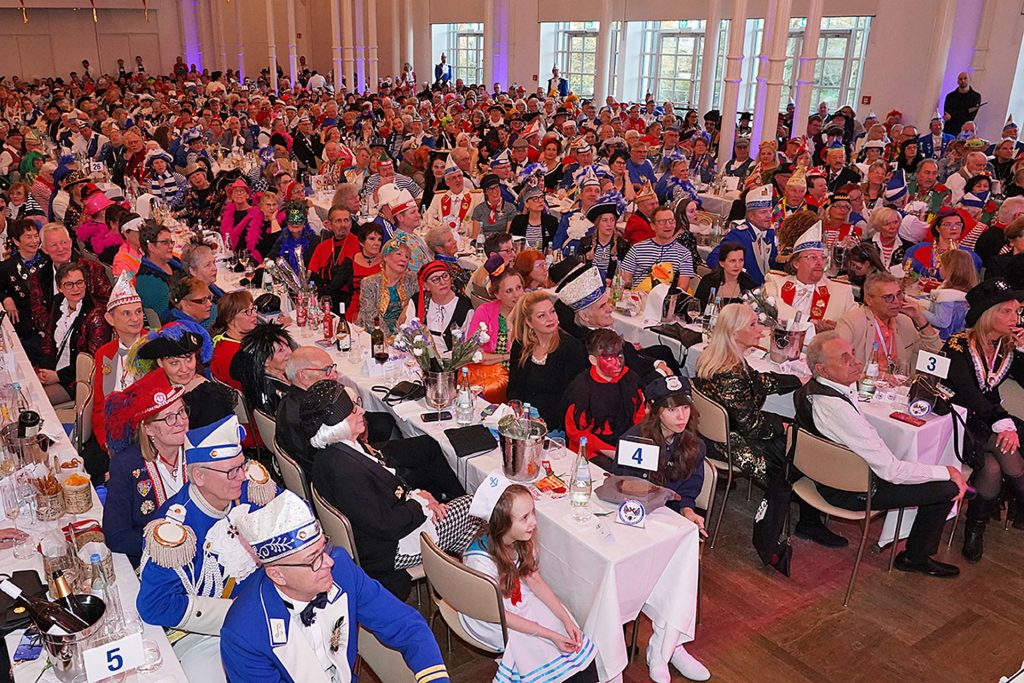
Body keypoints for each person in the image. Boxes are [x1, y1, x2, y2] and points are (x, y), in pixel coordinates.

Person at [221, 489, 450, 683]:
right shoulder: (245, 633)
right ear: (277, 575)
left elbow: (406, 625)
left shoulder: (341, 570)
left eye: (324, 548)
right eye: (314, 558)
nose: (328, 562)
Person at [796, 332, 964, 578]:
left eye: (852, 353)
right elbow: (892, 472)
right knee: (946, 487)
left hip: (824, 474)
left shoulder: (813, 389)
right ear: (823, 369)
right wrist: (947, 471)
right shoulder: (836, 408)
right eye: (844, 359)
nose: (856, 361)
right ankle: (914, 557)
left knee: (904, 457)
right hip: (849, 490)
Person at [694, 304, 844, 570]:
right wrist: (784, 428)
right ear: (734, 331)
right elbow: (753, 427)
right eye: (753, 325)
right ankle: (784, 536)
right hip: (731, 444)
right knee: (797, 453)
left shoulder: (717, 357)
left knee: (799, 444)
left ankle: (808, 519)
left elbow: (757, 382)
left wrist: (795, 381)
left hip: (719, 434)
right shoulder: (731, 370)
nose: (761, 331)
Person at [136, 412, 279, 682]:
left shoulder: (247, 489)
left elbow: (296, 516)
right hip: (205, 635)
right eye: (231, 471)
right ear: (198, 476)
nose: (241, 476)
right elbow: (153, 606)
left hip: (268, 607)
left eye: (242, 464)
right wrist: (237, 611)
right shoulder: (176, 531)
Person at [304, 379, 477, 598]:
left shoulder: (338, 452)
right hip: (390, 549)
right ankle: (474, 587)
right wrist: (420, 504)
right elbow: (386, 525)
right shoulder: (344, 469)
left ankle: (465, 581)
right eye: (353, 410)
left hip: (385, 532)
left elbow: (386, 484)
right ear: (337, 423)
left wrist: (419, 495)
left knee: (464, 527)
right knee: (477, 508)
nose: (362, 411)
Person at [461, 475, 599, 683]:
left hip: (513, 598)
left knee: (569, 635)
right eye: (524, 517)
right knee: (543, 647)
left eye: (532, 512)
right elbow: (499, 615)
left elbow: (534, 580)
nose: (533, 521)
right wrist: (547, 634)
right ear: (502, 523)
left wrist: (565, 618)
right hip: (490, 618)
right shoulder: (479, 562)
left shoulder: (522, 540)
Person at [944, 279, 1024, 561]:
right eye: (1007, 312)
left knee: (992, 468)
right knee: (1008, 449)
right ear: (988, 315)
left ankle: (974, 529)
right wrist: (1003, 423)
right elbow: (967, 395)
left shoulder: (1006, 346)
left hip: (988, 420)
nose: (1015, 318)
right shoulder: (957, 346)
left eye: (1017, 312)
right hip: (956, 421)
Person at [102, 370, 189, 567]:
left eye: (182, 411)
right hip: (152, 563)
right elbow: (116, 536)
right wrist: (169, 546)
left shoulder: (200, 452)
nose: (181, 421)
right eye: (169, 417)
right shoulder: (126, 465)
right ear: (148, 429)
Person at [507, 292, 588, 434]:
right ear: (529, 322)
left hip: (555, 424)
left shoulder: (572, 348)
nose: (551, 319)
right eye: (541, 315)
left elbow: (572, 398)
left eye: (552, 312)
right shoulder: (520, 345)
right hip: (522, 419)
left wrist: (544, 422)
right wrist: (518, 412)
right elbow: (513, 386)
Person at [562, 329, 646, 455]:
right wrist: (611, 452)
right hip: (590, 449)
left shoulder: (631, 379)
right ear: (593, 360)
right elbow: (576, 432)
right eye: (609, 359)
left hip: (625, 442)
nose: (618, 363)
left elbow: (640, 416)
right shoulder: (580, 389)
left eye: (620, 355)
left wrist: (637, 442)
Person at [836, 271, 942, 370]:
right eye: (888, 297)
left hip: (900, 385)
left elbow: (935, 353)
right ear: (869, 300)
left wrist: (919, 318)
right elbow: (838, 362)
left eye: (899, 295)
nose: (896, 301)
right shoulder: (851, 321)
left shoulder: (905, 322)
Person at [764, 221, 856, 332]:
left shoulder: (841, 291)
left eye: (822, 258)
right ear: (796, 263)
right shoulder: (775, 281)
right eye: (812, 258)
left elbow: (856, 325)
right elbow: (772, 306)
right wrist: (810, 321)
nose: (819, 263)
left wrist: (838, 328)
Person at [92, 272, 146, 460]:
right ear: (110, 319)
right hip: (111, 438)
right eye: (126, 313)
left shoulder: (155, 347)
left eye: (138, 311)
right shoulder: (104, 353)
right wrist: (106, 444)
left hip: (145, 439)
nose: (135, 318)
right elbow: (99, 407)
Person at [467, 255, 525, 403]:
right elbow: (472, 353)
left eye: (519, 288)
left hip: (520, 374)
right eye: (509, 291)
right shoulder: (485, 311)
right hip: (487, 371)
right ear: (497, 294)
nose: (517, 295)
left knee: (492, 388)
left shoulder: (530, 312)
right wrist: (506, 357)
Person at [0, 219, 51, 363]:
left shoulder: (49, 261)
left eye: (36, 236)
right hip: (25, 326)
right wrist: (6, 298)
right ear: (16, 241)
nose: (34, 241)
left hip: (50, 322)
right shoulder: (7, 267)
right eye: (28, 237)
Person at [707, 184, 777, 285]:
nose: (769, 216)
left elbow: (771, 264)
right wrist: (737, 278)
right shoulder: (739, 235)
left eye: (770, 211)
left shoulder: (769, 232)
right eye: (763, 212)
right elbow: (713, 259)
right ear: (751, 216)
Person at [619, 205, 694, 290]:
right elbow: (623, 279)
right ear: (653, 226)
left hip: (665, 299)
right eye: (662, 221)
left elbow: (682, 288)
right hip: (637, 297)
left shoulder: (684, 254)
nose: (668, 225)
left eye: (671, 221)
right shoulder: (637, 248)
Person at [355, 234, 418, 333]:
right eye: (399, 254)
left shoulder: (412, 279)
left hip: (405, 332)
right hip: (375, 333)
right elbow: (370, 317)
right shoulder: (369, 283)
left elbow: (420, 302)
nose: (404, 259)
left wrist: (407, 308)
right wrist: (389, 340)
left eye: (407, 256)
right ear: (385, 257)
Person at [410, 260, 474, 354]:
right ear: (426, 285)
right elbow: (408, 333)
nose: (443, 282)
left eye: (445, 276)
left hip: (453, 361)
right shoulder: (417, 301)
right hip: (421, 356)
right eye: (435, 279)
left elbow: (469, 343)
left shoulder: (464, 306)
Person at [905, 207, 982, 283]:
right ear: (938, 228)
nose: (954, 228)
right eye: (948, 224)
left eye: (958, 224)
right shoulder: (916, 250)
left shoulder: (970, 257)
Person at [234, 321, 296, 416]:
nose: (290, 352)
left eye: (287, 346)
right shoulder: (278, 394)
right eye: (280, 350)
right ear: (264, 360)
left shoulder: (263, 376)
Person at [329, 222, 384, 322]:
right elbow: (333, 288)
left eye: (379, 239)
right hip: (354, 314)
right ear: (362, 242)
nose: (377, 243)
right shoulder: (351, 261)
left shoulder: (386, 262)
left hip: (381, 313)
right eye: (372, 239)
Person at [922, 249, 977, 339]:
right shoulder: (966, 292)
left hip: (942, 338)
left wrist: (920, 311)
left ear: (949, 269)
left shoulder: (948, 296)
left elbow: (942, 322)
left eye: (942, 265)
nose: (939, 268)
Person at [210, 290, 258, 390]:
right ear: (230, 319)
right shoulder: (237, 354)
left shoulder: (222, 340)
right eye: (247, 312)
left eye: (253, 309)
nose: (255, 315)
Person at [135, 221, 184, 319]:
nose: (171, 246)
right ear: (151, 247)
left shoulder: (173, 262)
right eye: (165, 242)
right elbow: (169, 316)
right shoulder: (148, 281)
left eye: (171, 242)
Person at [694, 241, 756, 309]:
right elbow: (696, 308)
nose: (737, 265)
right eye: (733, 261)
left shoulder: (750, 284)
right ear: (722, 263)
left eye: (741, 260)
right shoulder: (708, 281)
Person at [472, 173, 517, 239]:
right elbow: (476, 236)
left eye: (496, 187)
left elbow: (509, 234)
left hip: (503, 242)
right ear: (486, 192)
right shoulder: (478, 209)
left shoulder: (510, 208)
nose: (495, 191)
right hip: (484, 242)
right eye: (490, 189)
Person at [943, 71, 982, 136]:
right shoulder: (950, 96)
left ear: (969, 80)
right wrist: (963, 114)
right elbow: (947, 115)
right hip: (949, 131)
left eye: (965, 78)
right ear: (957, 81)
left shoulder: (976, 96)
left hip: (966, 132)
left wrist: (952, 117)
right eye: (960, 79)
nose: (963, 80)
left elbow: (970, 117)